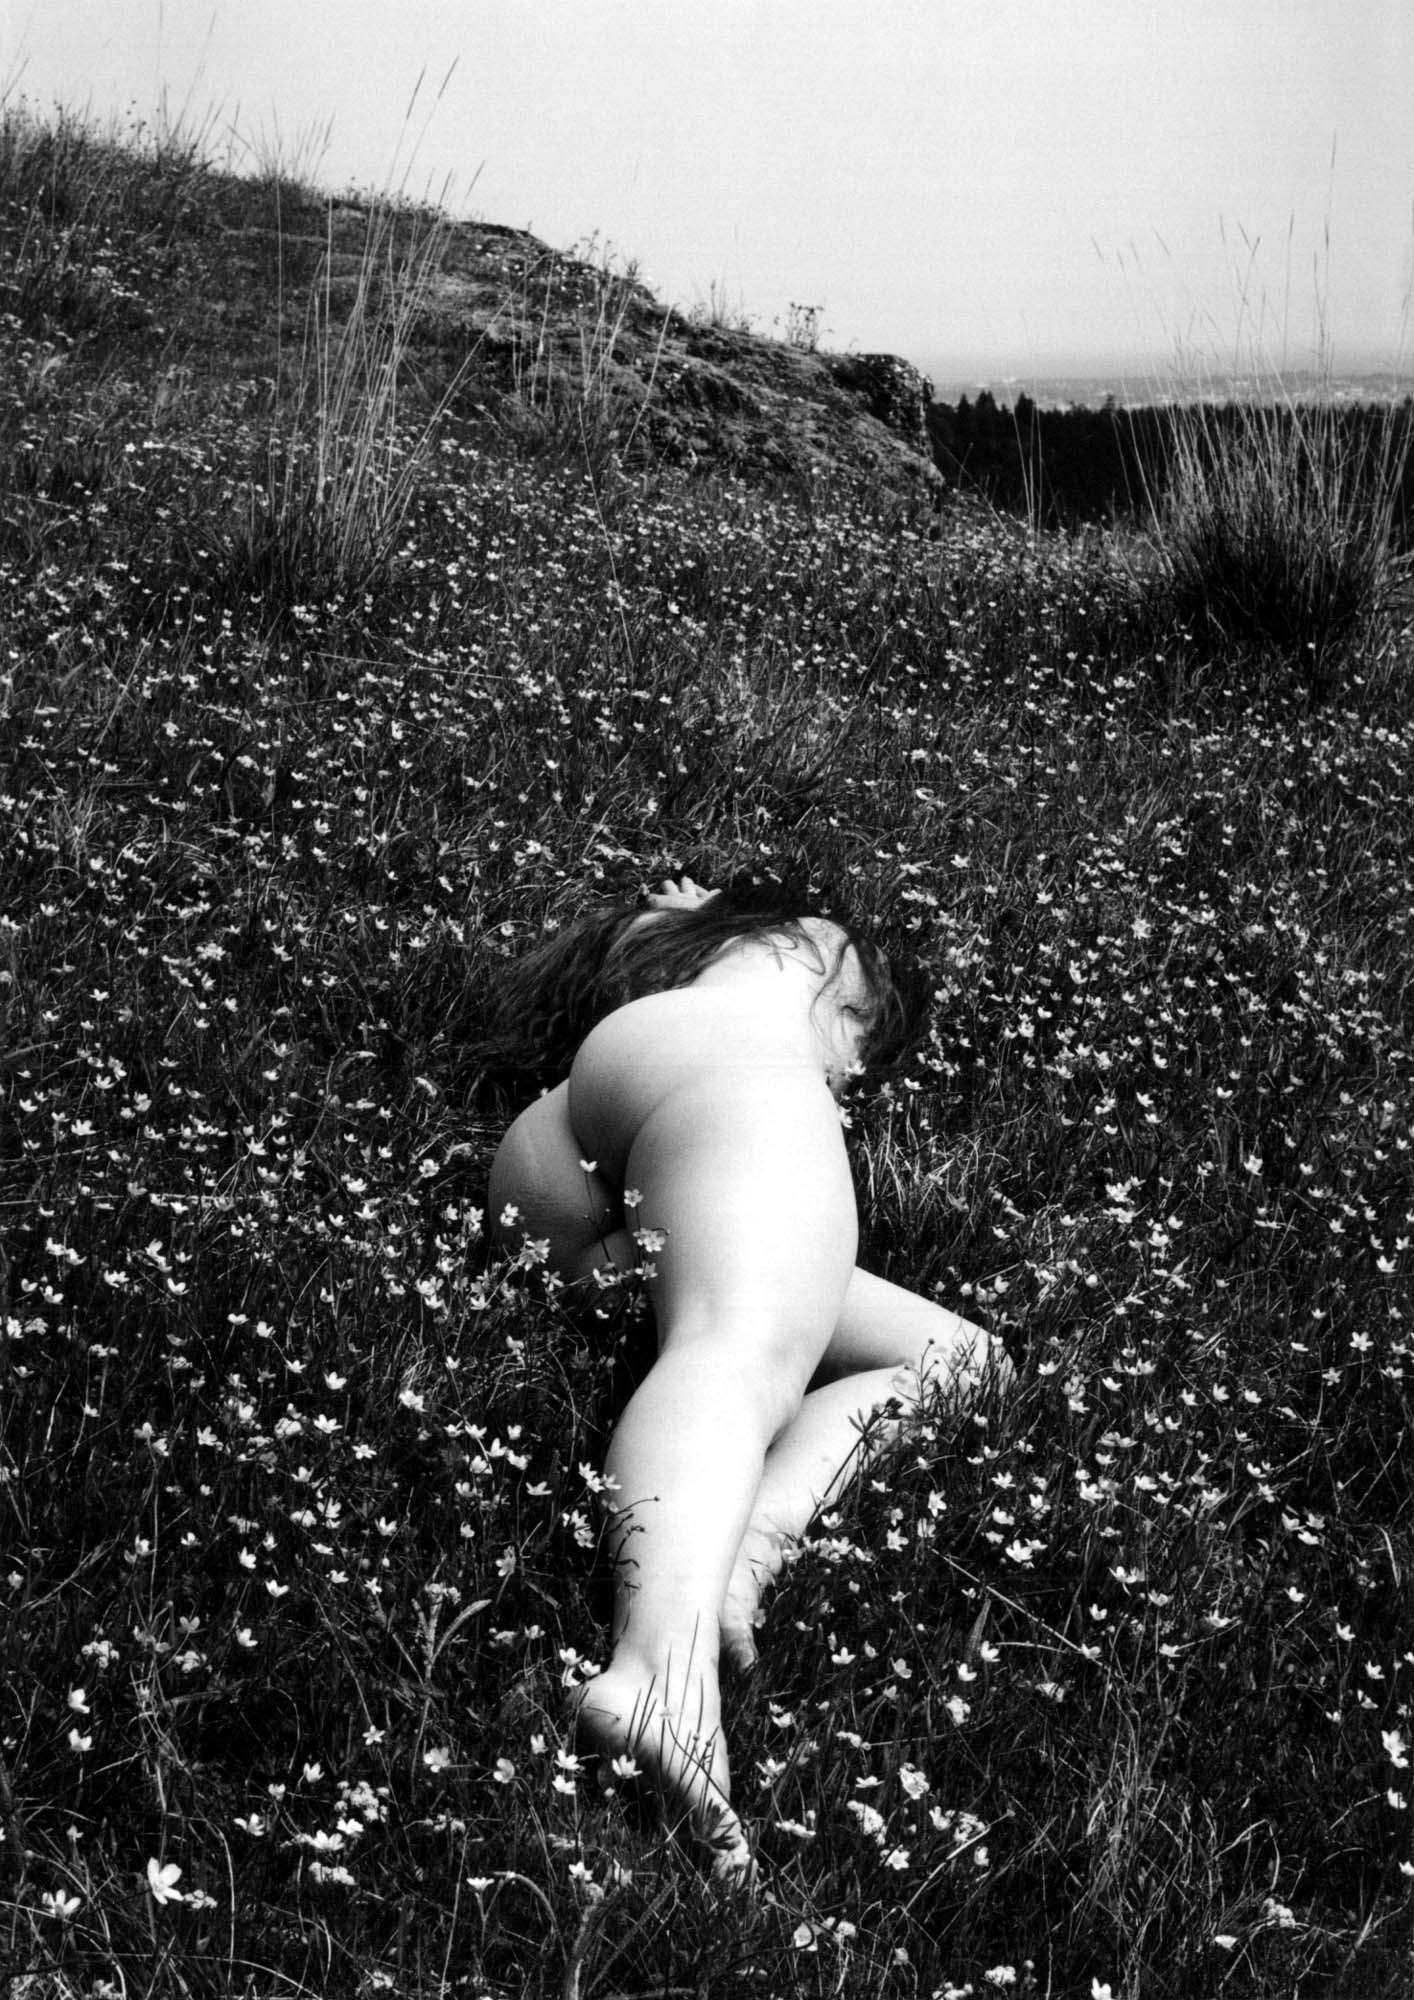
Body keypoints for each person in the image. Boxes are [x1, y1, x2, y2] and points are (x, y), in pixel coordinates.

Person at [486, 873, 1007, 1882]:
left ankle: (746, 1542)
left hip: (562, 1171)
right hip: (712, 1079)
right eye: (866, 1038)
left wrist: (684, 913)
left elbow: (657, 933)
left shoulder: (692, 962)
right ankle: (657, 1670)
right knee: (735, 1346)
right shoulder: (820, 955)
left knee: (965, 1361)